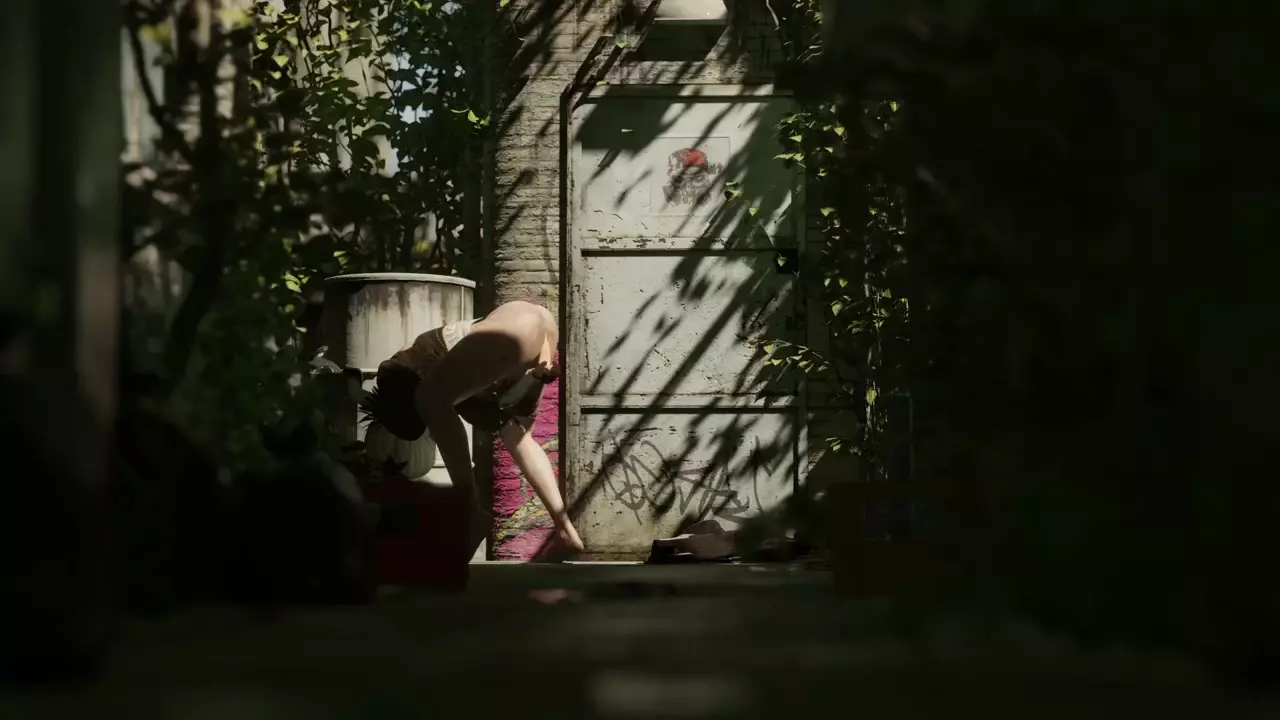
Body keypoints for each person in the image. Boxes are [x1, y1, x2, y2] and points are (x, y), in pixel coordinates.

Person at [361, 300, 584, 559]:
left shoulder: (406, 370)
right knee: (519, 437)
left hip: (519, 327)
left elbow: (431, 405)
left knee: (431, 399)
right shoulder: (440, 375)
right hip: (539, 329)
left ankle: (469, 511)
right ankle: (565, 530)